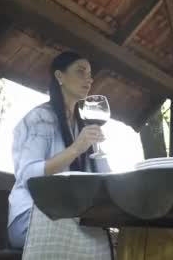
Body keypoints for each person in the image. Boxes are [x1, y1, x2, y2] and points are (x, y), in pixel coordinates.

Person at [7, 51, 108, 249]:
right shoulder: (40, 118)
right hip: (32, 215)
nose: (89, 78)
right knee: (87, 241)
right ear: (59, 76)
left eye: (90, 74)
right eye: (81, 72)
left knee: (113, 239)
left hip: (72, 217)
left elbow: (104, 176)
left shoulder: (83, 126)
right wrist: (76, 148)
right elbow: (28, 176)